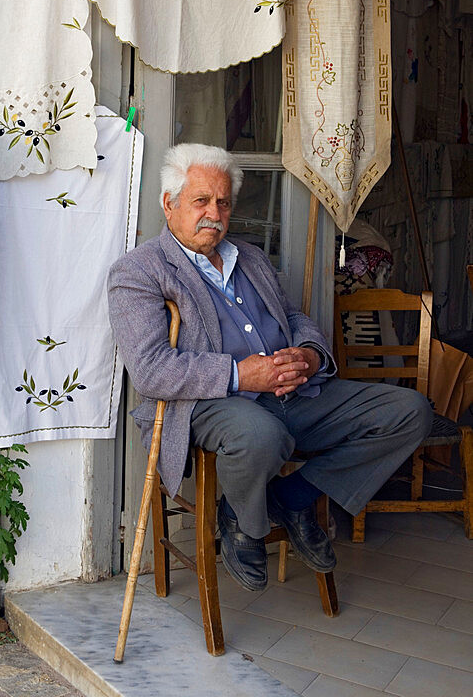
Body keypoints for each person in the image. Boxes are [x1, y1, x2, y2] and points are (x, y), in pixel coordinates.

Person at [107, 143, 433, 591]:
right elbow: (150, 370)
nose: (214, 213)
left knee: (410, 411)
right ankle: (244, 518)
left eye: (223, 202)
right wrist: (243, 374)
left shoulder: (251, 256)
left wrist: (310, 355)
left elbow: (293, 317)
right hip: (212, 403)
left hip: (295, 393)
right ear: (170, 203)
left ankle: (292, 497)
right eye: (201, 201)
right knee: (262, 435)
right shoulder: (139, 272)